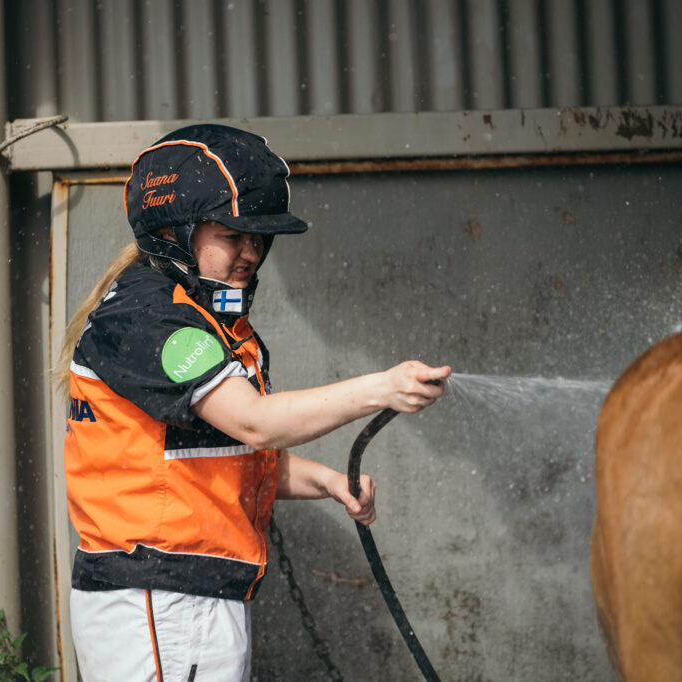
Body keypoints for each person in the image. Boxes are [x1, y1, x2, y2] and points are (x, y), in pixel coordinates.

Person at [56, 123, 450, 682]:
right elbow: (255, 423)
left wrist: (326, 482)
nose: (251, 252)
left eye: (259, 238)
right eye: (232, 234)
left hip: (188, 598)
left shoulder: (196, 316)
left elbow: (218, 452)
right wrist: (380, 388)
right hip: (162, 601)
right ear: (176, 229)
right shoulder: (153, 318)